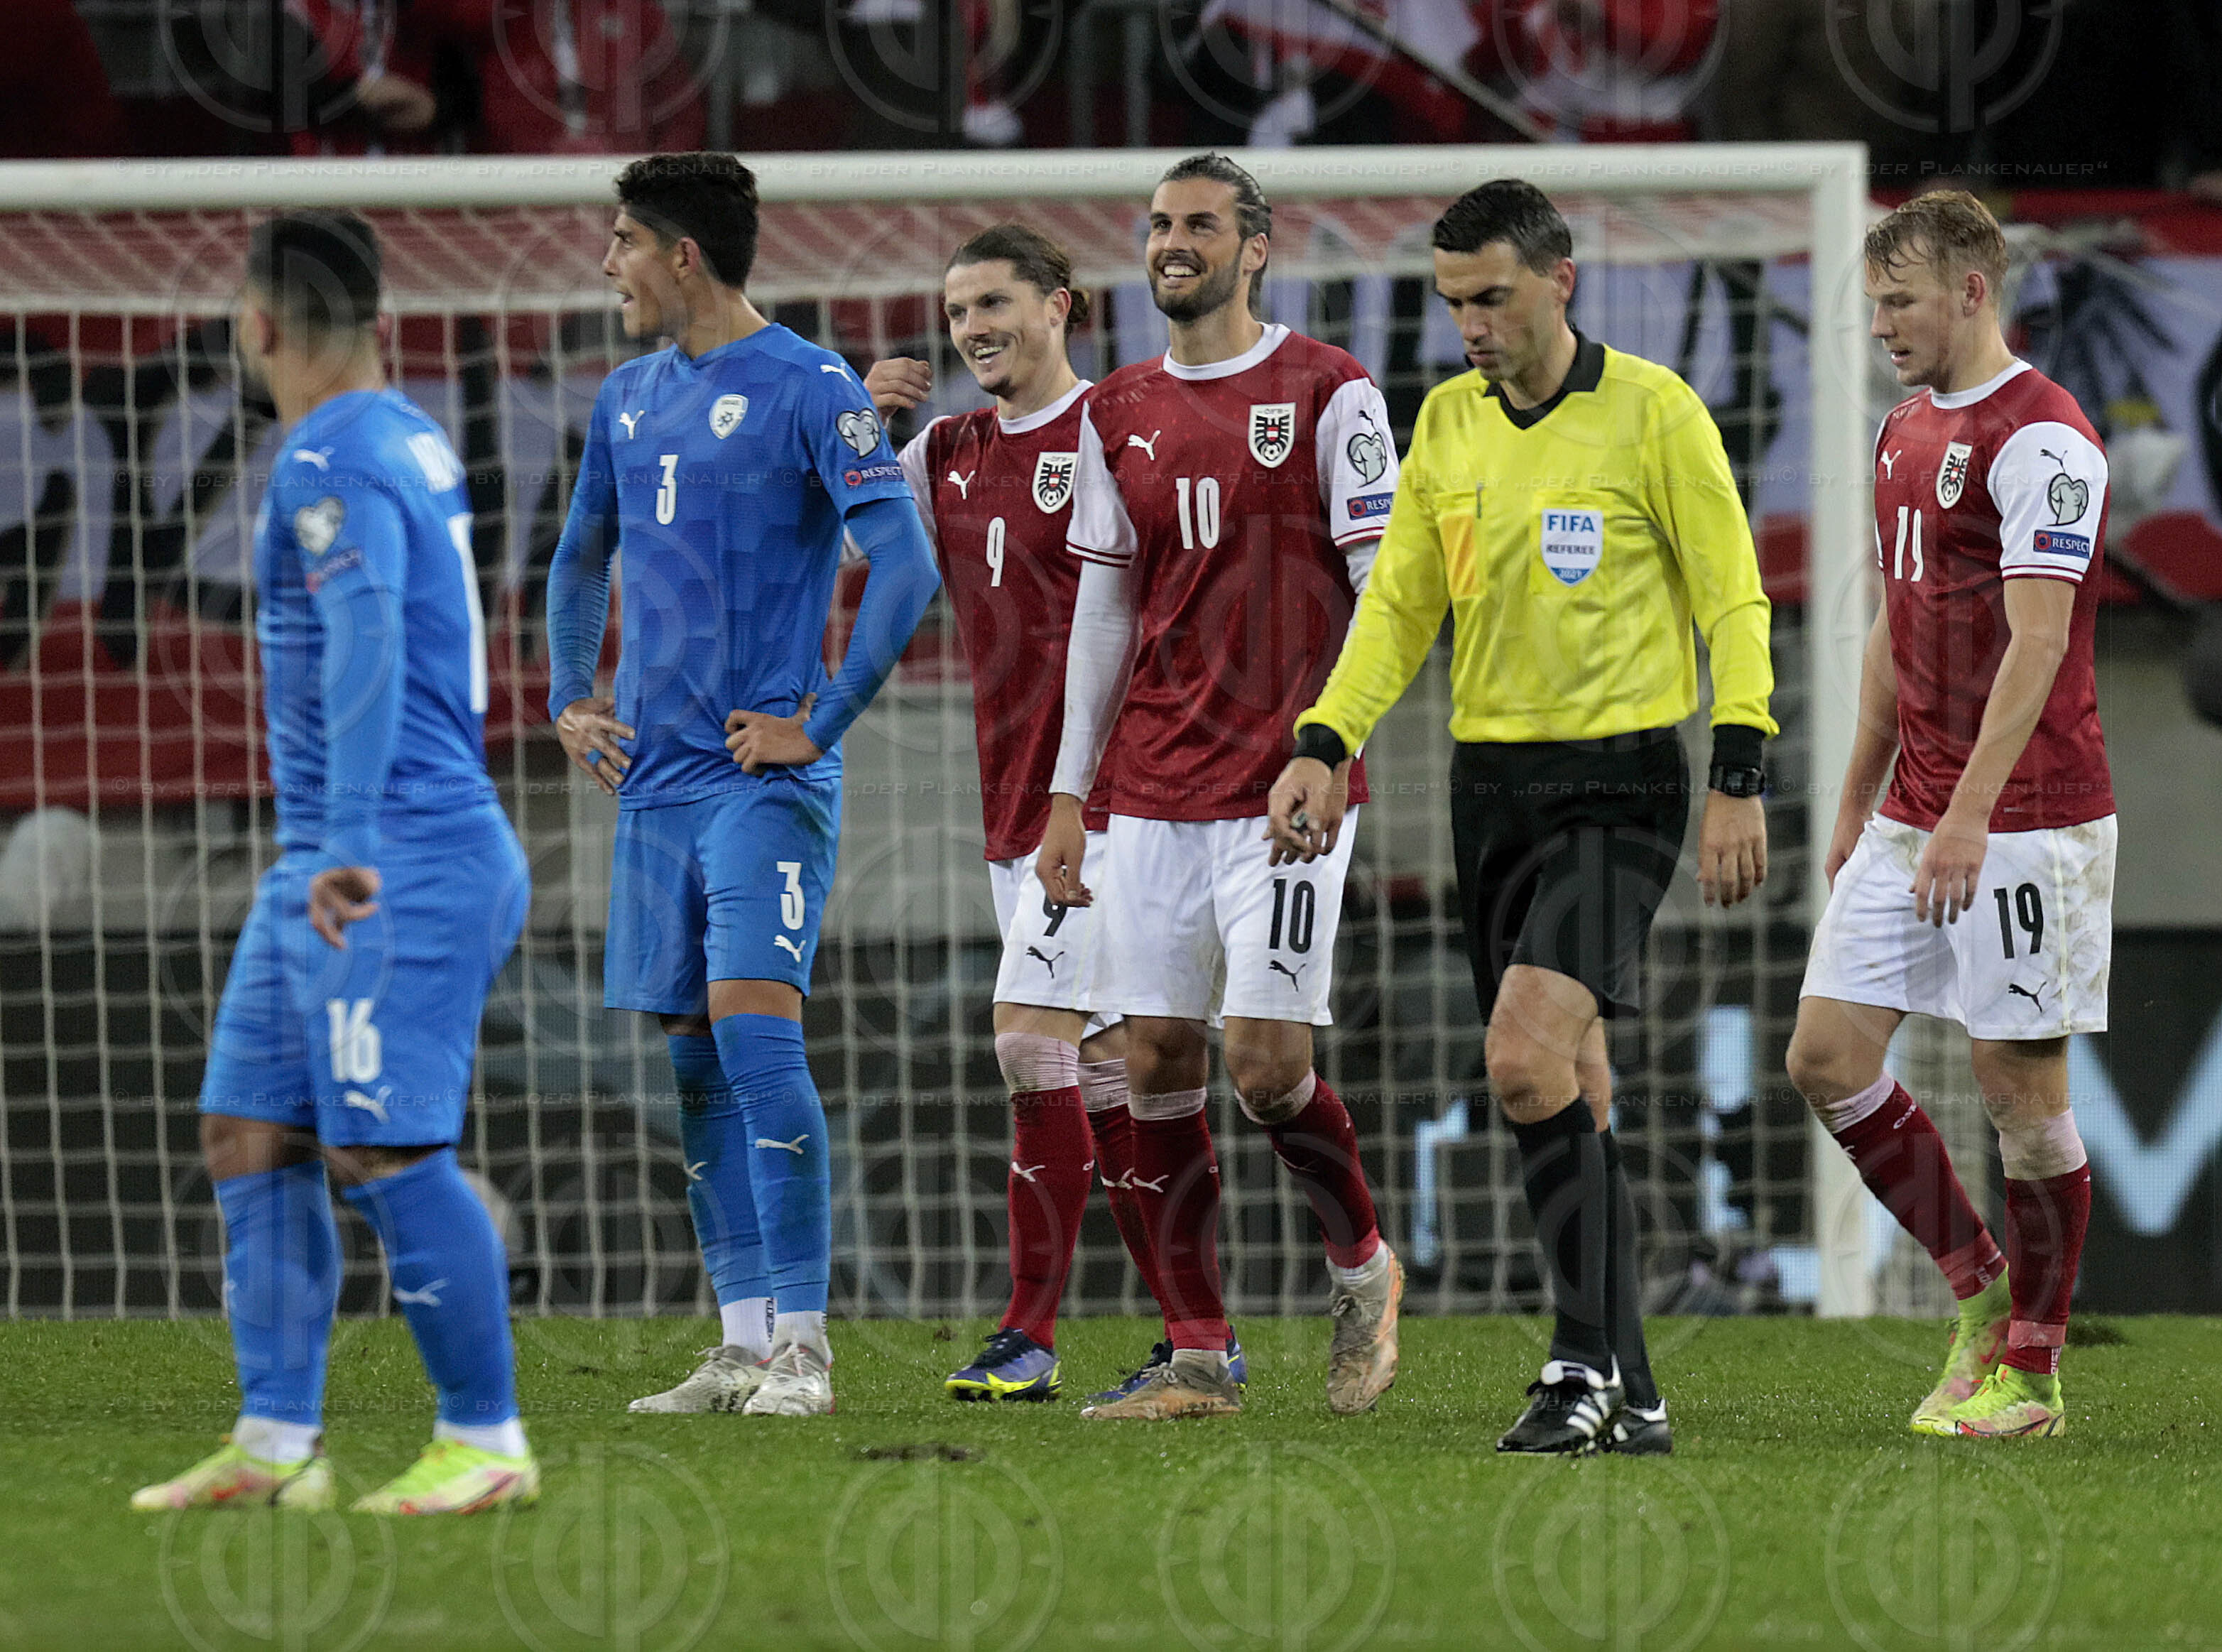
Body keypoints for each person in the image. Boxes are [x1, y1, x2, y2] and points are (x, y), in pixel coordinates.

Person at [1270, 177, 1775, 1456]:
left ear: (1559, 279)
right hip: (1488, 786)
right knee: (1567, 1078)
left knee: (1519, 1055)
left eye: (1490, 296)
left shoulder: (1653, 413)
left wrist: (1739, 766)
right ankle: (1634, 1391)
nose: (1469, 325)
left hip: (1621, 782)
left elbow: (1732, 599)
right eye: (1450, 304)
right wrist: (1325, 740)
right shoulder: (1443, 421)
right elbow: (1395, 610)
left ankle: (1570, 1364)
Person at [134, 212, 535, 1514]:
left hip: (391, 850)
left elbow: (363, 633)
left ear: (255, 324)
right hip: (336, 848)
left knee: (385, 1151)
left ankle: (485, 1438)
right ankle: (277, 1443)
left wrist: (353, 841)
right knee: (251, 1128)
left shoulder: (326, 457)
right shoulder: (405, 431)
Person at [545, 153, 939, 1418]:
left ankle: (809, 1349)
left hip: (760, 781)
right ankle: (740, 1338)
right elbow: (579, 554)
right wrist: (570, 696)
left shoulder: (812, 385)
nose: (606, 266)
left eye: (620, 243)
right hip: (652, 784)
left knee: (757, 1038)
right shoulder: (624, 396)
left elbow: (905, 565)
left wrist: (816, 720)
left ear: (680, 256)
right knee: (690, 1059)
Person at [1037, 152, 1404, 1423]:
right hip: (1145, 787)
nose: (1170, 243)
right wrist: (1070, 794)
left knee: (1261, 1061)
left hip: (1282, 792)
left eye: (1198, 224)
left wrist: (1332, 743)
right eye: (1155, 225)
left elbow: (1385, 595)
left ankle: (1360, 1265)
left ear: (1256, 247)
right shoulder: (1115, 408)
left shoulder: (1330, 392)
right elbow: (1103, 609)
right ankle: (1198, 1355)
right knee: (1151, 1059)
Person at [868, 226, 1248, 1404]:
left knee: (1026, 1040)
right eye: (954, 310)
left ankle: (1027, 1335)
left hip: (1108, 803)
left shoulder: (1113, 430)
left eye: (992, 301)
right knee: (1100, 1080)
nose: (971, 326)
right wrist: (865, 444)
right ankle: (1200, 1335)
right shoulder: (944, 451)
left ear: (1058, 308)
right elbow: (851, 550)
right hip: (1009, 807)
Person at [1786, 190, 2111, 1441]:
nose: (1880, 325)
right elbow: (1896, 622)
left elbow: (2038, 646)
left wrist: (1970, 816)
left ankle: (2031, 1368)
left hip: (2024, 816)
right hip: (1918, 807)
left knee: (2019, 1097)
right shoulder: (1902, 430)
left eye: (1900, 301)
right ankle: (1979, 1293)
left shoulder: (2046, 441)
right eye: (1872, 304)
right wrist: (1863, 792)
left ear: (1971, 292)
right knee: (1824, 1056)